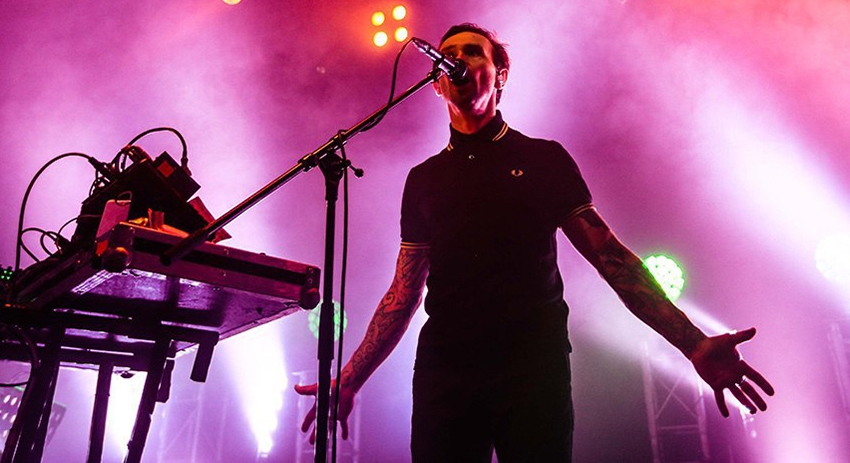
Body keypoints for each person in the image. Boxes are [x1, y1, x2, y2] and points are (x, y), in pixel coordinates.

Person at [296, 23, 774, 462]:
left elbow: (611, 259)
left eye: (472, 52)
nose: (457, 60)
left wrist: (693, 342)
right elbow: (403, 295)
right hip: (446, 371)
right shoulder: (424, 179)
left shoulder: (543, 159)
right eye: (448, 54)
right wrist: (349, 379)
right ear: (437, 83)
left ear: (500, 76)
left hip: (532, 367)